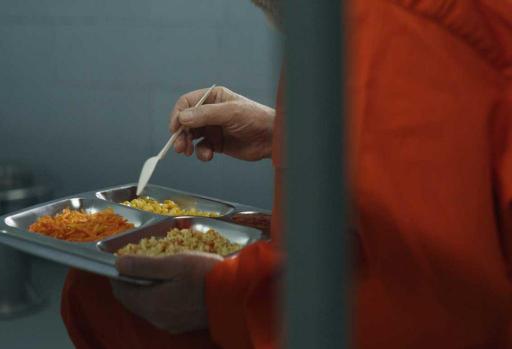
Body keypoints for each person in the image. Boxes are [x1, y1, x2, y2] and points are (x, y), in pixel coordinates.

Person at [61, 0, 512, 347]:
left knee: (99, 296)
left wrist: (218, 298)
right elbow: (431, 160)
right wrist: (284, 132)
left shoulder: (397, 25)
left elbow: (429, 310)